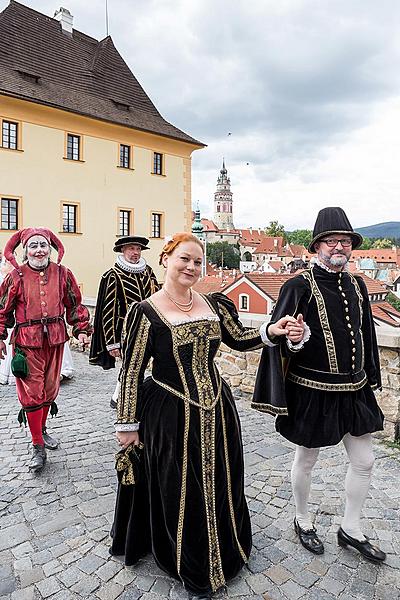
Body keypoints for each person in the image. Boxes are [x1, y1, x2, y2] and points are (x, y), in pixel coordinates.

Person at [110, 232, 305, 599]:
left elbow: (238, 338)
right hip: (170, 412)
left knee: (222, 480)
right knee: (180, 486)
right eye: (184, 259)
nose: (191, 267)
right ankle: (190, 562)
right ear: (166, 259)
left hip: (217, 406)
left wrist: (272, 330)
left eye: (198, 262)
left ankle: (225, 548)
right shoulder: (145, 312)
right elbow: (132, 372)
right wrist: (127, 426)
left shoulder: (213, 303)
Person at [253, 207, 386, 563]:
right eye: (331, 241)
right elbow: (279, 335)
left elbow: (365, 333)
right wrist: (295, 338)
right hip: (313, 390)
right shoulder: (298, 285)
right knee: (307, 458)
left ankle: (351, 528)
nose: (339, 247)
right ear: (316, 247)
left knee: (365, 461)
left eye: (345, 241)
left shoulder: (357, 284)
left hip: (354, 389)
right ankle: (302, 518)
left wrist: (371, 374)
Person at [0, 228, 92, 472]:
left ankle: (41, 430)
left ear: (50, 249)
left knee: (49, 390)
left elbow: (74, 303)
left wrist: (81, 328)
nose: (39, 250)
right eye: (33, 246)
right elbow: (2, 310)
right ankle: (37, 445)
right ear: (25, 251)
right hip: (26, 343)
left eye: (43, 245)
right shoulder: (16, 277)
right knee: (32, 393)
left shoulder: (63, 274)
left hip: (54, 340)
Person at [89, 235, 159, 408]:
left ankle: (125, 395)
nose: (135, 253)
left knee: (141, 363)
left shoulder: (148, 271)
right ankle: (121, 396)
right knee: (131, 364)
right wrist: (112, 342)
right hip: (126, 330)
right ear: (123, 250)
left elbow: (157, 297)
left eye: (138, 249)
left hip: (150, 327)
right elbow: (108, 311)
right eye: (131, 249)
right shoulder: (113, 275)